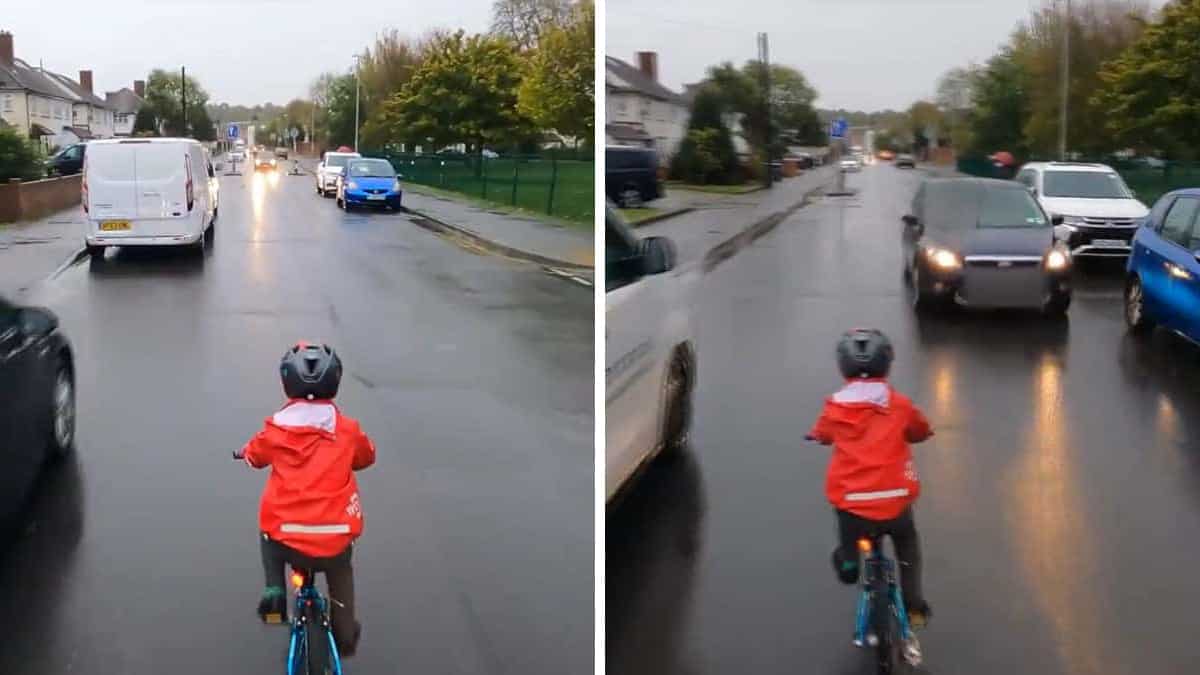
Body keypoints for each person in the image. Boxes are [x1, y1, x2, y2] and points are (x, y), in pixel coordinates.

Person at [238, 342, 376, 657]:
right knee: (341, 571)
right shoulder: (348, 430)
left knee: (267, 535)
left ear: (287, 383)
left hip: (286, 536)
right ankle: (344, 634)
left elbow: (255, 457)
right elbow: (367, 457)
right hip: (334, 539)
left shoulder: (274, 430)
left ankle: (274, 591)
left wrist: (246, 453)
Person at [807, 328, 933, 629]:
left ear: (843, 366)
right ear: (886, 364)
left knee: (847, 540)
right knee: (908, 547)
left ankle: (850, 563)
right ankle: (914, 605)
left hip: (852, 504)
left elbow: (822, 433)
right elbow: (920, 429)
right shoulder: (899, 405)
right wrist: (919, 433)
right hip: (895, 501)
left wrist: (818, 436)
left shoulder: (834, 407)